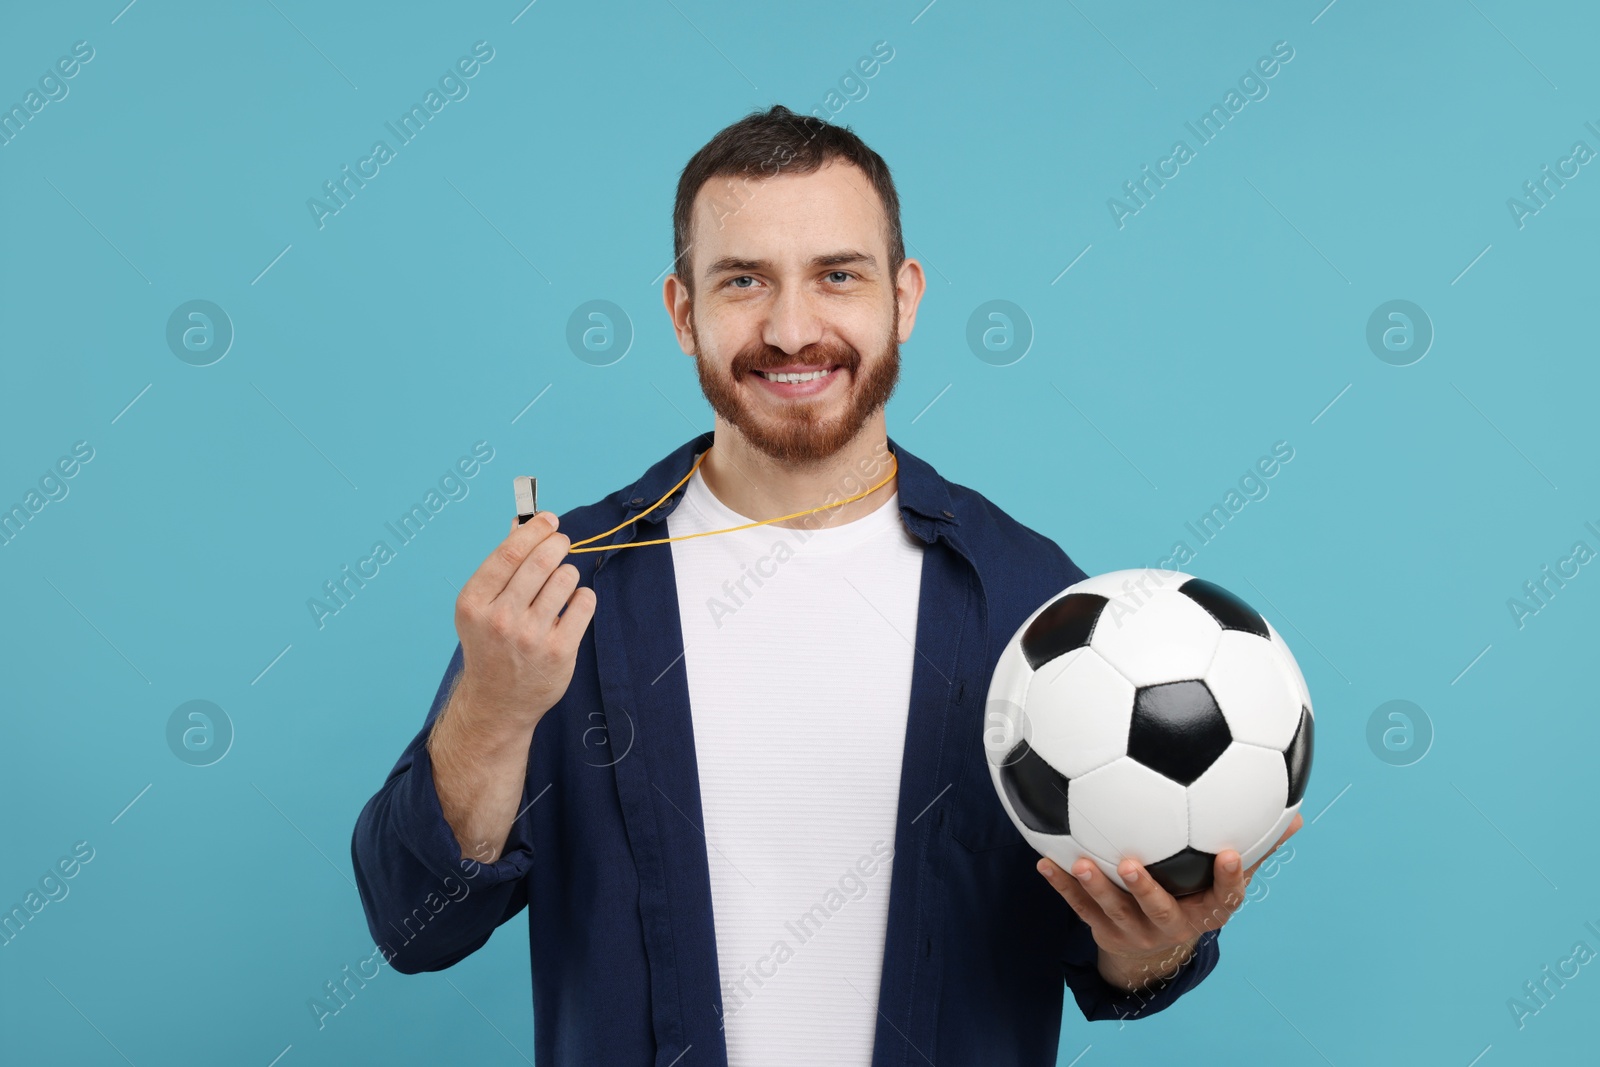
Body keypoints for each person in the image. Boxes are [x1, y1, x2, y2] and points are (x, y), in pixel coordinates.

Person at [351, 104, 1300, 1066]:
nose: (792, 330)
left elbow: (1111, 956)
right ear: (684, 312)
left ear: (904, 297)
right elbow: (413, 924)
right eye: (743, 282)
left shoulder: (1030, 601)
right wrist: (494, 708)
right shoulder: (569, 591)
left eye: (836, 276)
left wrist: (1158, 941)